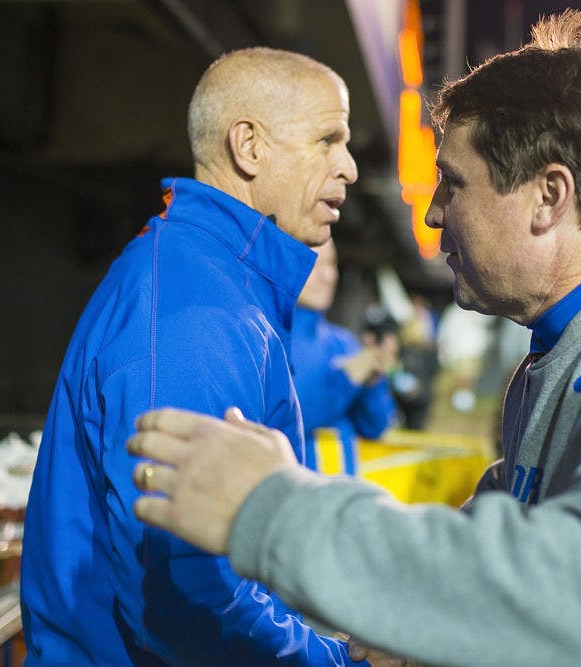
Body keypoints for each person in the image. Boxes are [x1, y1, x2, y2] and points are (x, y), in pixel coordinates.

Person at [124, 11, 581, 666]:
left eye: (453, 183)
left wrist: (274, 509)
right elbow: (520, 528)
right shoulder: (563, 357)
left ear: (549, 196)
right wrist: (411, 622)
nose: (435, 215)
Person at [19, 47, 370, 664]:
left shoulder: (213, 282)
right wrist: (332, 660)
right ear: (250, 147)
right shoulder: (197, 309)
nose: (349, 168)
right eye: (327, 139)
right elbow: (183, 594)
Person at [292, 238, 397, 475]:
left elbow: (375, 427)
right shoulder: (270, 341)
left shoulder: (344, 342)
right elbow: (278, 423)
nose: (328, 276)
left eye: (332, 264)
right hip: (290, 503)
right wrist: (347, 380)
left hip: (344, 503)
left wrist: (374, 382)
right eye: (315, 265)